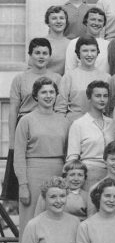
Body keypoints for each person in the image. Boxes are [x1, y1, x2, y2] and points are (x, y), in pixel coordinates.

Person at [5, 38, 62, 202]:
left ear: (50, 56)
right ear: (30, 55)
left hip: (49, 124)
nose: (41, 56)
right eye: (37, 53)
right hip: (25, 124)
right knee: (23, 187)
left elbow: (59, 107)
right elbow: (13, 110)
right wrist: (12, 143)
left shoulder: (57, 78)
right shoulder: (20, 79)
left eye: (45, 53)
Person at [14, 77, 70, 234]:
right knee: (31, 220)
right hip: (33, 175)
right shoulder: (26, 120)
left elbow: (68, 153)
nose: (48, 95)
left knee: (56, 218)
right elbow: (18, 155)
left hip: (58, 173)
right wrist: (23, 185)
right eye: (44, 92)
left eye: (52, 92)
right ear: (36, 96)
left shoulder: (64, 121)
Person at [66, 80, 115, 190]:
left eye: (105, 96)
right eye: (98, 96)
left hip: (111, 173)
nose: (102, 99)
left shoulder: (112, 123)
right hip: (88, 175)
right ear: (89, 98)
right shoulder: (79, 124)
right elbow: (72, 158)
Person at [56, 35, 111, 122]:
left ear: (97, 53)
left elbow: (108, 109)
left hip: (98, 126)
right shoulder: (69, 77)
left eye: (93, 51)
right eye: (85, 51)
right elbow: (60, 109)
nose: (89, 55)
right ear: (78, 53)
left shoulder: (106, 78)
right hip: (73, 124)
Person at [64, 7, 110, 74]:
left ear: (103, 24)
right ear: (86, 21)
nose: (96, 23)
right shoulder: (74, 43)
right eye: (93, 19)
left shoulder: (108, 45)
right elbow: (69, 70)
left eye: (100, 20)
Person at [44, 6, 70, 76]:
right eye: (54, 18)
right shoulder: (41, 43)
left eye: (61, 18)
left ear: (66, 22)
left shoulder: (71, 44)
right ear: (48, 22)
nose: (58, 21)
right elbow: (31, 70)